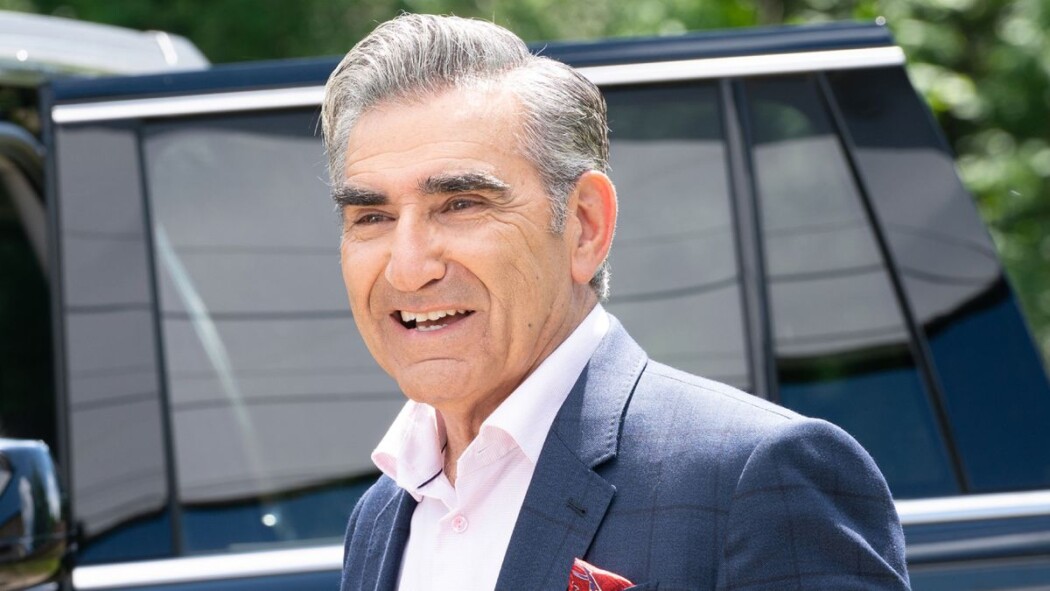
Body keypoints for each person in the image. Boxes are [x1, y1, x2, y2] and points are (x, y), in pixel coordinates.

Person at [321, 13, 911, 591]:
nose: (408, 267)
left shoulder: (754, 478)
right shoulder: (381, 517)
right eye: (371, 216)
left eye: (461, 205)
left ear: (585, 226)